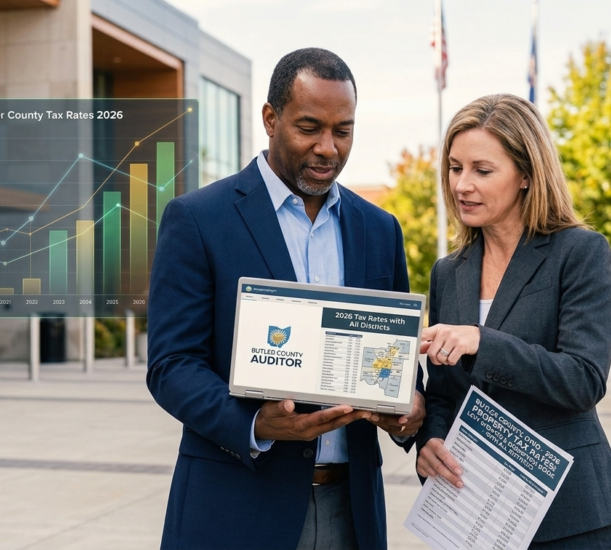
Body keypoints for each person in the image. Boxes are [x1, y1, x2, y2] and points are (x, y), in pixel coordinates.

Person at [147, 48, 424, 550]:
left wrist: (409, 406)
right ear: (270, 119)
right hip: (236, 507)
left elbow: (398, 361)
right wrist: (254, 423)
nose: (328, 148)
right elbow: (171, 364)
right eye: (310, 127)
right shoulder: (198, 219)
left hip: (351, 510)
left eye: (343, 131)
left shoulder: (380, 229)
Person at [415, 93, 611, 548]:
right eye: (455, 168)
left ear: (527, 176)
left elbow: (583, 380)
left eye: (482, 170)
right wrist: (430, 441)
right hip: (473, 510)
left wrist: (481, 341)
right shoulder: (447, 271)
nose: (462, 185)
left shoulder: (580, 252)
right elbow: (442, 391)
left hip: (568, 514)